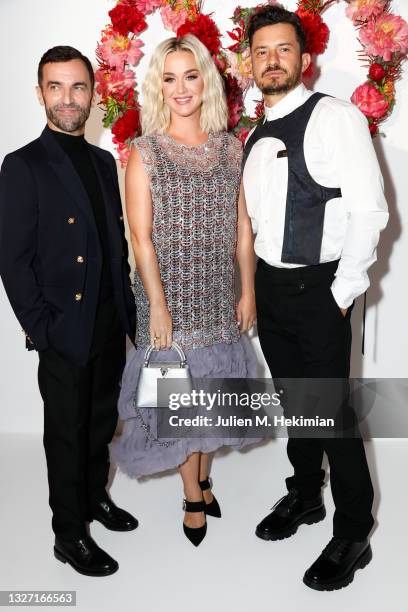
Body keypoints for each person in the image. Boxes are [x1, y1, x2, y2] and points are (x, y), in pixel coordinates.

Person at [242, 5, 388, 591]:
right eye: (261, 51)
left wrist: (343, 292)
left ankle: (354, 532)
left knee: (332, 414)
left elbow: (370, 210)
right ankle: (304, 496)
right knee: (296, 405)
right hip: (274, 292)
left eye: (283, 49)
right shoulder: (255, 131)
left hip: (320, 290)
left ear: (305, 59)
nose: (271, 60)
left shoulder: (335, 117)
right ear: (249, 62)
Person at [111, 34, 258, 547]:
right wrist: (155, 303)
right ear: (158, 86)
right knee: (177, 403)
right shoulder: (144, 152)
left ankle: (202, 479)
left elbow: (242, 226)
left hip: (218, 296)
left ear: (206, 81)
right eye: (169, 78)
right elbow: (141, 237)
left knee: (211, 399)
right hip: (167, 301)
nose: (181, 88)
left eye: (190, 75)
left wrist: (249, 290)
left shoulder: (229, 148)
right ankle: (193, 493)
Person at [0, 46, 138, 577]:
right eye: (55, 87)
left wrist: (126, 310)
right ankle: (68, 533)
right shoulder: (23, 165)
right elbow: (12, 260)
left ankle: (93, 499)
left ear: (92, 94)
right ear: (40, 95)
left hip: (109, 320)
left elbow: (114, 243)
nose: (67, 98)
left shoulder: (104, 161)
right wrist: (43, 329)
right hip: (64, 326)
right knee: (66, 429)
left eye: (77, 87)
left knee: (102, 419)